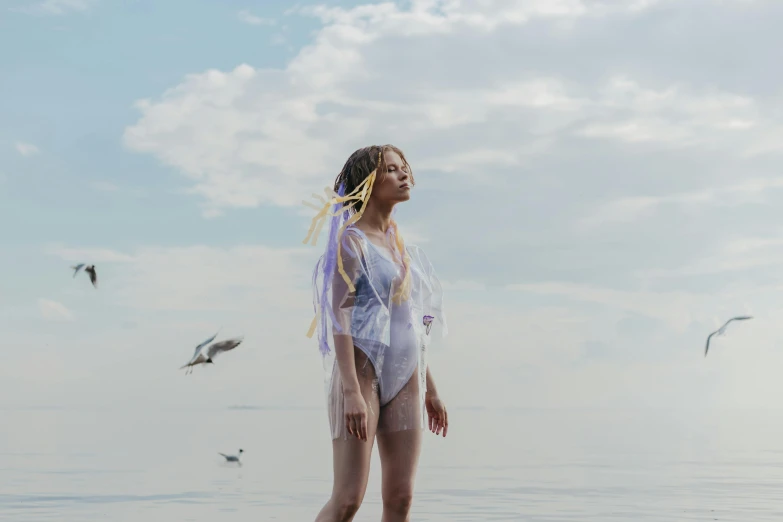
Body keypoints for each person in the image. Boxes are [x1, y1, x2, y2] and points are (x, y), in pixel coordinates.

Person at [302, 144, 449, 522]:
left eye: (404, 168)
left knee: (400, 497)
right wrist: (351, 390)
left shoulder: (402, 249)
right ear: (368, 182)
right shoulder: (351, 243)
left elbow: (410, 322)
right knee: (348, 498)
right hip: (362, 375)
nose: (404, 175)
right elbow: (339, 318)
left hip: (407, 376)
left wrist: (431, 388)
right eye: (391, 170)